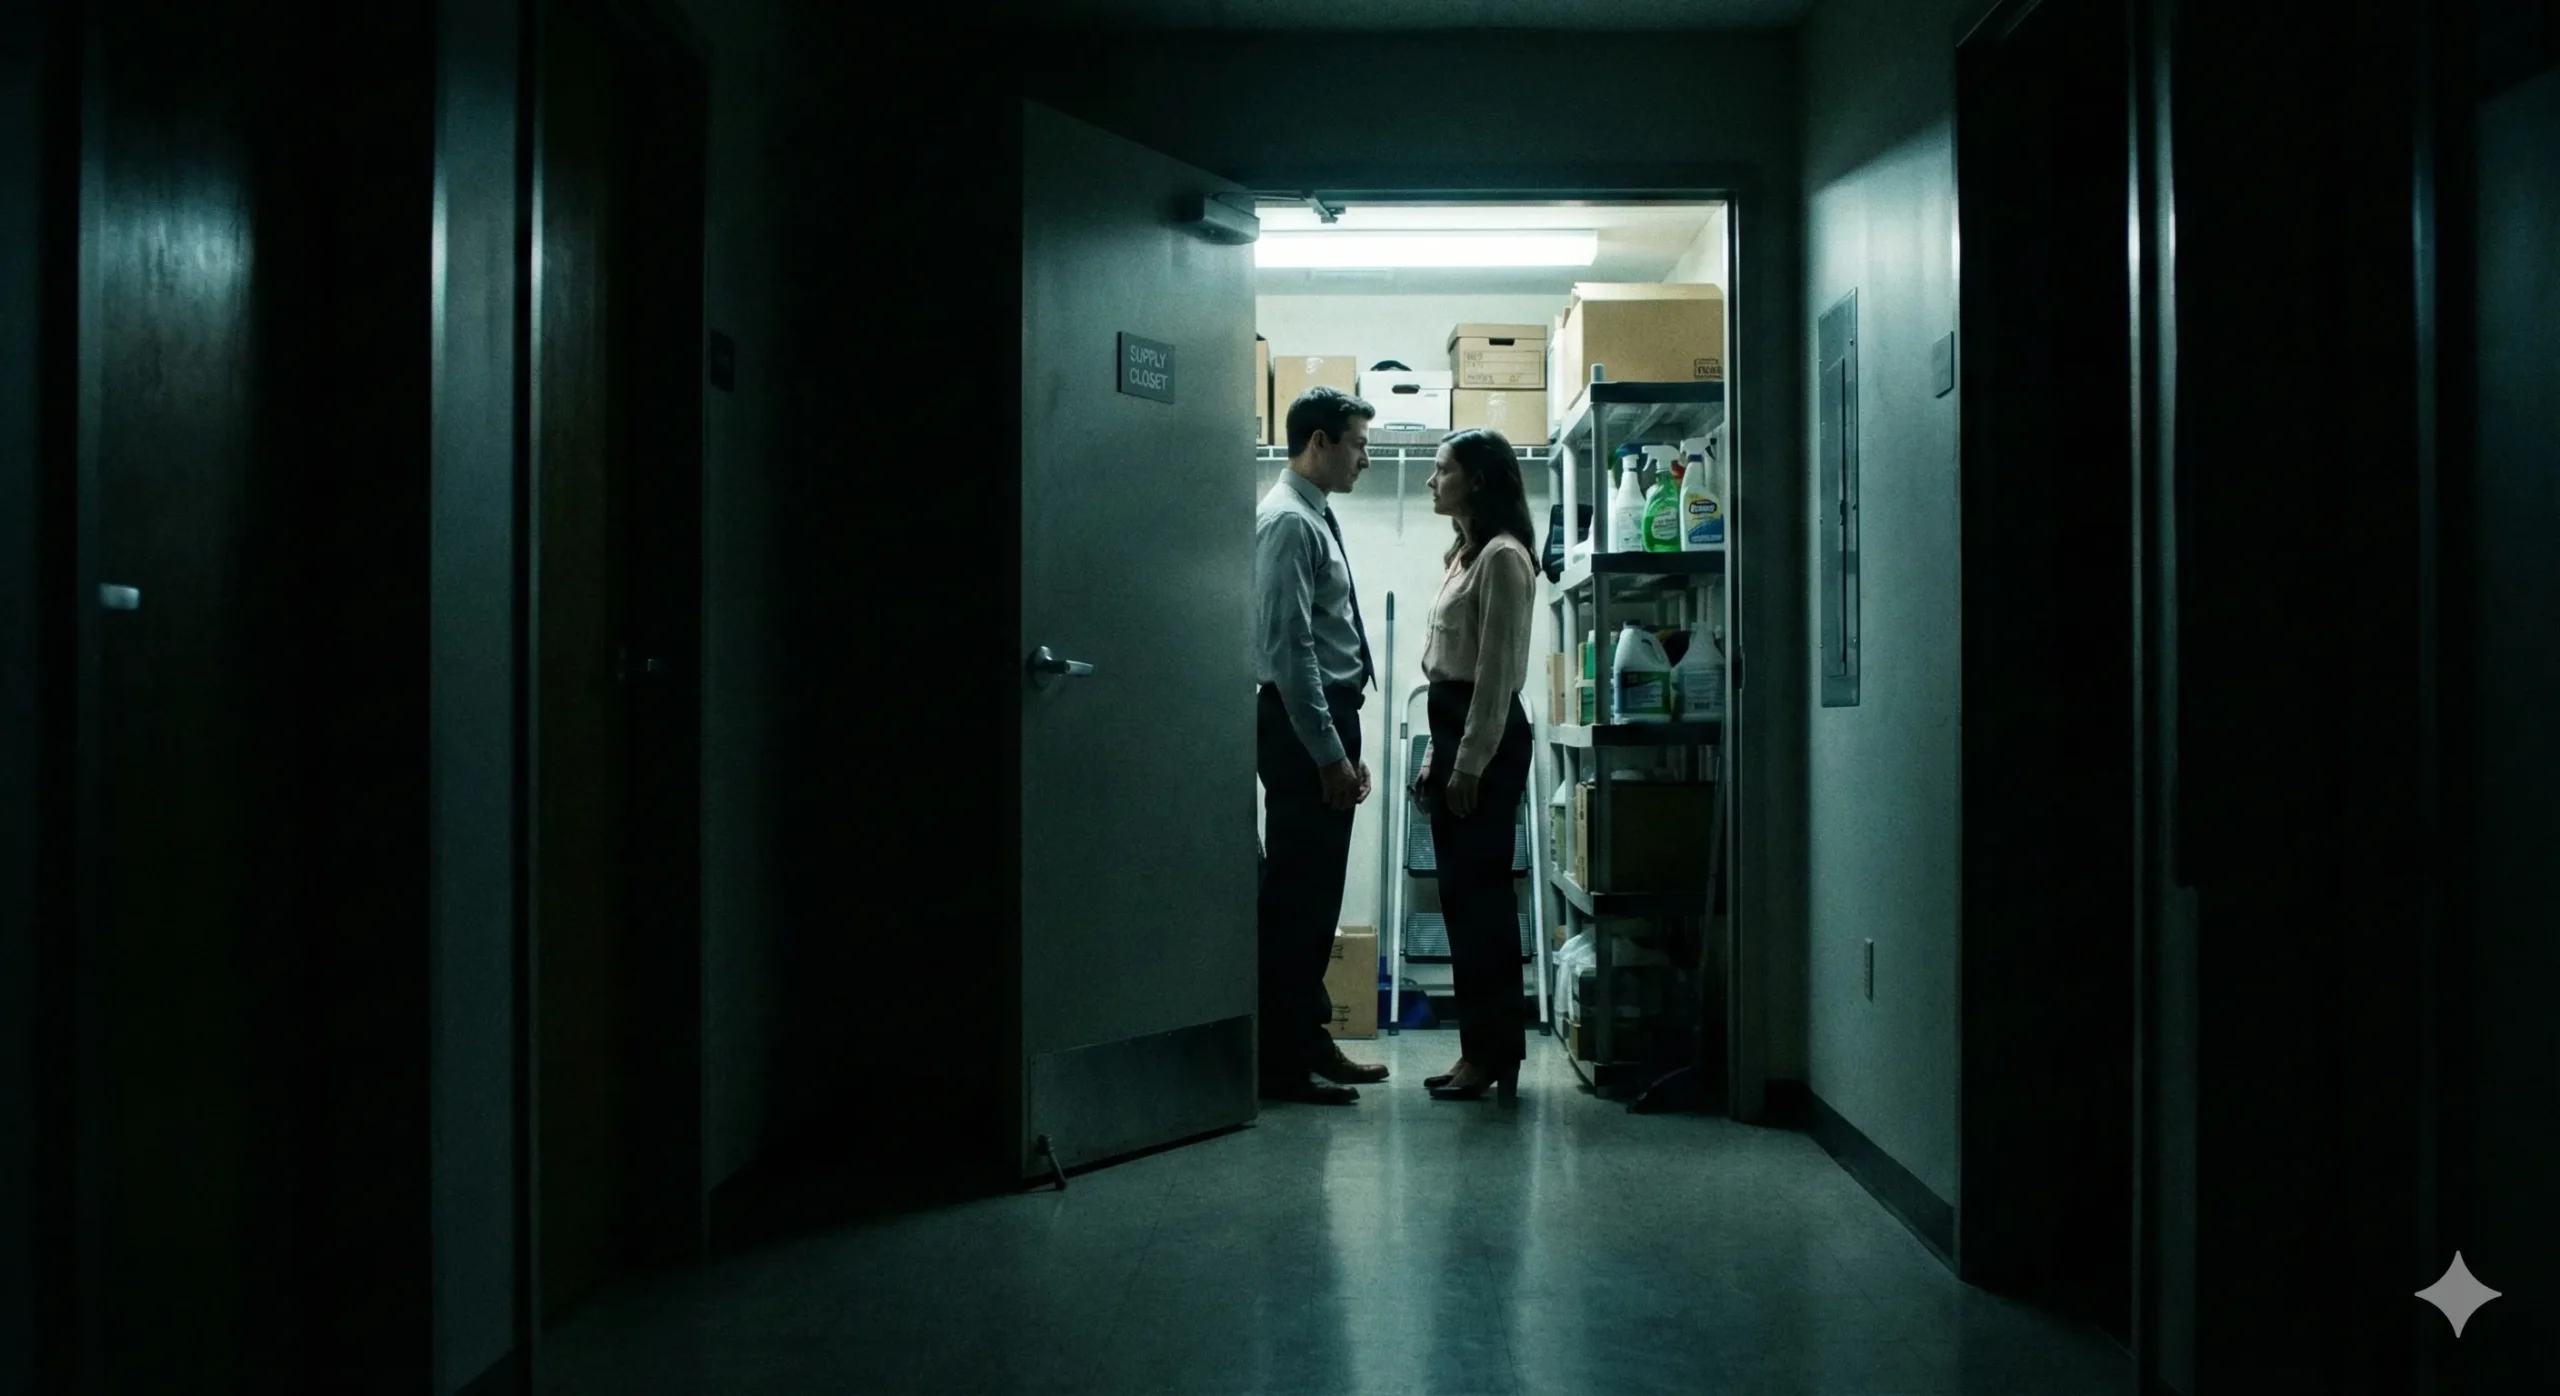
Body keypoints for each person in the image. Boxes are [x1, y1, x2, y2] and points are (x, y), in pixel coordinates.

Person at [1255, 386, 1391, 1105]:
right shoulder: (1287, 521)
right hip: (1300, 722)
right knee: (1298, 899)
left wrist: (1341, 742)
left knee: (1313, 895)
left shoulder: (1312, 516)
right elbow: (1290, 649)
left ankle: (1304, 1042)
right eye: (1358, 444)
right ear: (1319, 442)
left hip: (1323, 717)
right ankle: (1282, 1062)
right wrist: (1328, 753)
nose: (1366, 458)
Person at [1411, 428, 1539, 1102]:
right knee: (1460, 902)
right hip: (1455, 733)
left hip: (1484, 741)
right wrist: (1437, 754)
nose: (1432, 481)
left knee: (1483, 903)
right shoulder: (1462, 555)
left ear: (1478, 480)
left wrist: (1468, 766)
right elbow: (1446, 671)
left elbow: (1494, 676)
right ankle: (1477, 1051)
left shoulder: (1503, 559)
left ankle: (1495, 1053)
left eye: (1442, 470)